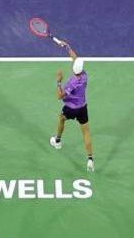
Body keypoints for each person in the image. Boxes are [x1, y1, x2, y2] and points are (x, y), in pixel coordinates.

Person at [47, 39, 93, 171]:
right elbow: (75, 58)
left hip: (71, 109)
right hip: (83, 108)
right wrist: (67, 46)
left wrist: (59, 82)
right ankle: (90, 159)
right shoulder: (84, 75)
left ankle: (57, 141)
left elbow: (60, 96)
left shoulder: (72, 82)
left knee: (61, 119)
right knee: (86, 133)